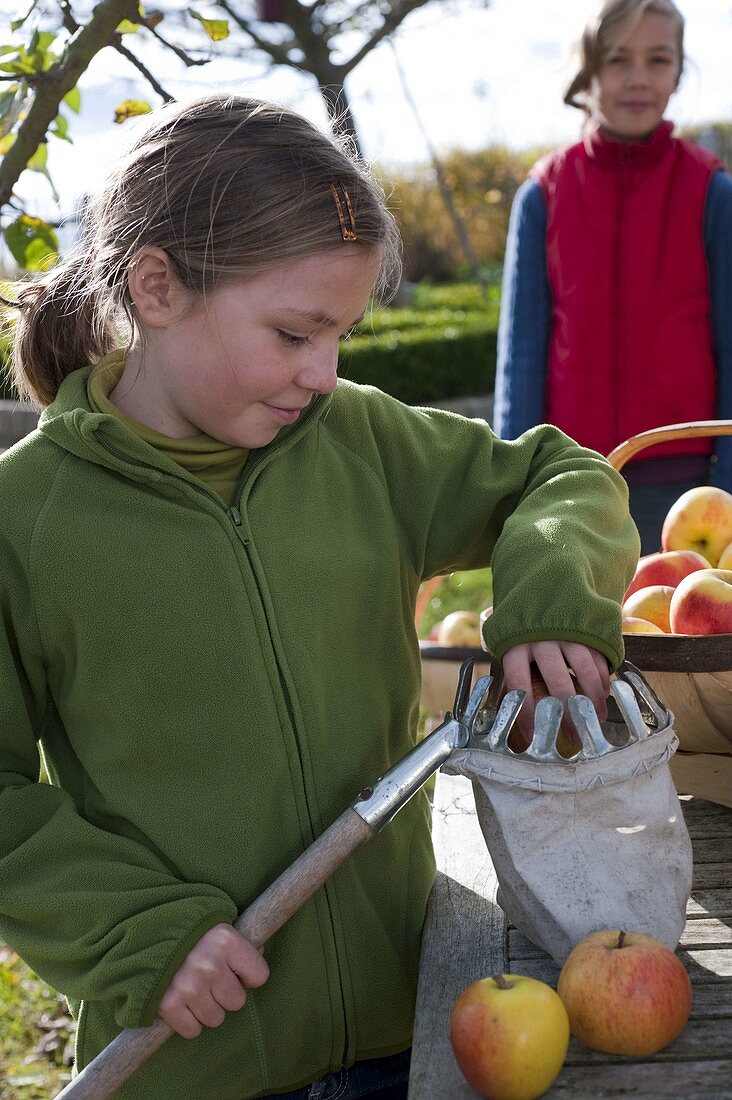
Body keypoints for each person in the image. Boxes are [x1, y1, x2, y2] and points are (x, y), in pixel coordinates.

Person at [0, 95, 638, 1100]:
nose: (326, 373)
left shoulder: (360, 441)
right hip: (190, 1061)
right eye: (295, 333)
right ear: (157, 287)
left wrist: (554, 598)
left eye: (339, 335)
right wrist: (134, 933)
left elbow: (561, 476)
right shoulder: (23, 521)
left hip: (411, 1033)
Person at [494, 0, 732, 554]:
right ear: (589, 69)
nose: (637, 79)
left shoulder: (713, 193)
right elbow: (521, 354)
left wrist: (726, 488)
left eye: (658, 59)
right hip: (567, 482)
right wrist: (511, 486)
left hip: (686, 489)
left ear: (678, 71)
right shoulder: (541, 196)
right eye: (618, 59)